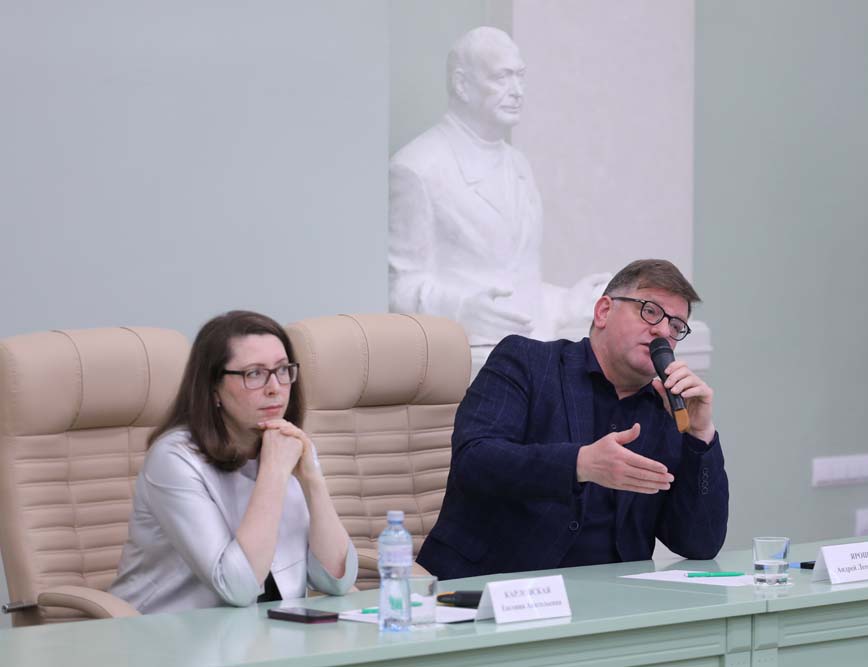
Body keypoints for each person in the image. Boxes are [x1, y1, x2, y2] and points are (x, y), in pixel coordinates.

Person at [417, 260, 728, 579]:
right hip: (495, 586)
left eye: (676, 326)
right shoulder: (526, 362)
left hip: (612, 597)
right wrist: (580, 464)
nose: (663, 331)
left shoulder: (666, 408)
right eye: (650, 311)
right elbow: (475, 461)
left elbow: (700, 543)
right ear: (603, 311)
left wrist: (700, 434)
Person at [109, 311, 357, 613]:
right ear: (213, 387)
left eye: (282, 370)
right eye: (254, 373)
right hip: (165, 632)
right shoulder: (174, 459)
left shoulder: (287, 444)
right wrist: (274, 472)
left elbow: (336, 580)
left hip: (265, 632)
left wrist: (312, 480)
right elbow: (238, 588)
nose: (274, 387)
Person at [388, 27, 608, 367]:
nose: (517, 91)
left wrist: (566, 302)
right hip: (468, 365)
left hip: (533, 359)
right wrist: (461, 311)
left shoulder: (518, 164)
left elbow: (511, 278)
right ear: (462, 84)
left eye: (520, 76)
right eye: (502, 77)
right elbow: (398, 288)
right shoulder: (417, 168)